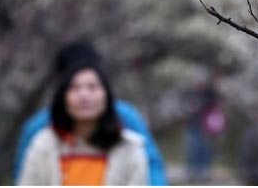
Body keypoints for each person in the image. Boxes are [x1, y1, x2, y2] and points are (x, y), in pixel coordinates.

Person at [15, 43, 167, 185]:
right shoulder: (42, 137)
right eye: (74, 87)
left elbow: (150, 166)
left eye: (92, 86)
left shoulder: (127, 129)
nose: (84, 95)